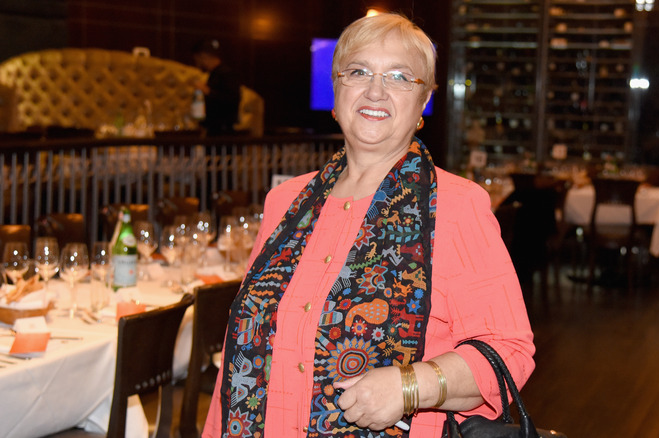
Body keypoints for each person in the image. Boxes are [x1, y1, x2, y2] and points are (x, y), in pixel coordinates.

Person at [203, 13, 534, 438]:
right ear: (337, 93)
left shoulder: (457, 206)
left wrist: (409, 385)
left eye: (399, 77)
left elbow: (508, 352)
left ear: (424, 102)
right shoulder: (285, 203)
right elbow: (239, 352)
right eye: (358, 72)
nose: (375, 90)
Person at [192, 39, 241, 136]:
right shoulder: (214, 74)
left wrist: (207, 90)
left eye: (197, 59)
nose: (197, 64)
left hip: (223, 133)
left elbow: (232, 99)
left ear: (203, 57)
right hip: (213, 130)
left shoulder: (226, 74)